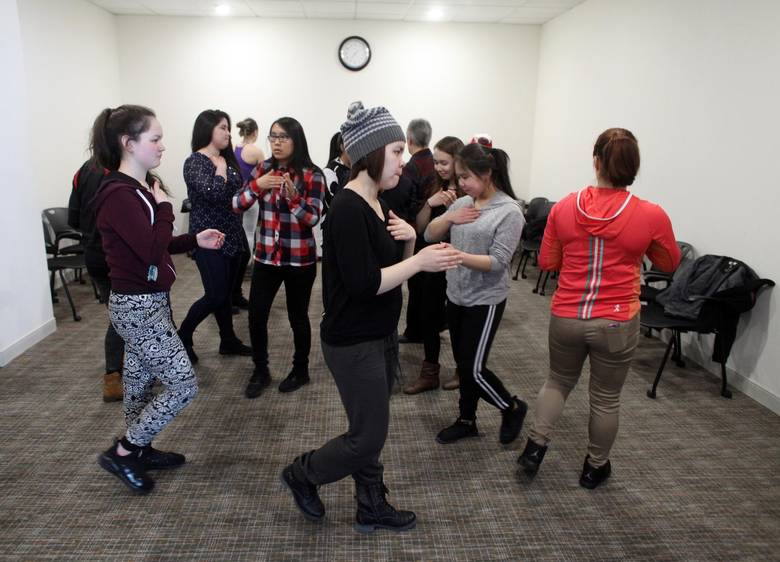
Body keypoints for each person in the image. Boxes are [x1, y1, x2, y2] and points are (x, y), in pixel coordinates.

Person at [279, 101, 461, 534]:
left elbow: (384, 269)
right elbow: (364, 284)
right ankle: (303, 472)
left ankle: (370, 504)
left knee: (370, 427)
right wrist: (418, 262)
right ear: (372, 152)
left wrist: (409, 241)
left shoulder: (377, 202)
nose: (405, 161)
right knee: (367, 436)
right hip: (352, 339)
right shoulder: (346, 208)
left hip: (378, 332)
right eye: (397, 152)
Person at [517, 128, 681, 489]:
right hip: (616, 321)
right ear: (634, 167)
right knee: (606, 398)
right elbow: (669, 262)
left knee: (557, 381)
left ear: (595, 161)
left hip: (567, 315)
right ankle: (594, 468)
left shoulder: (563, 207)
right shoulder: (650, 214)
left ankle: (534, 448)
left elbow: (546, 261)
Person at [91, 104, 225, 494]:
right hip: (138, 306)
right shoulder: (120, 194)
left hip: (144, 301)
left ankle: (141, 449)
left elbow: (150, 243)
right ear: (128, 144)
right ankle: (125, 450)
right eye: (155, 139)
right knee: (183, 384)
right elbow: (149, 250)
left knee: (137, 379)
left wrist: (190, 240)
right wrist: (166, 205)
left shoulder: (134, 189)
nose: (163, 146)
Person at [426, 142, 528, 446]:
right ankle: (466, 419)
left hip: (485, 301)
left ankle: (511, 407)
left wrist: (456, 255)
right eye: (458, 178)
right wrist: (447, 218)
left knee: (472, 368)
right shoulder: (463, 204)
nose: (460, 184)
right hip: (456, 294)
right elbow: (429, 233)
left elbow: (498, 262)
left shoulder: (509, 212)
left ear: (486, 173)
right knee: (463, 362)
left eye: (465, 177)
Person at [232, 117, 324, 398]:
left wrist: (294, 198)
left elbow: (312, 218)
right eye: (273, 137)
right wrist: (257, 184)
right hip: (267, 258)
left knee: (298, 317)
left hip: (300, 260)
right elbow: (237, 204)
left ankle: (301, 369)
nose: (277, 142)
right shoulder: (263, 169)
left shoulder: (312, 174)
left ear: (297, 139)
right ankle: (261, 370)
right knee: (257, 316)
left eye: (284, 137)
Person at [177, 110, 251, 363]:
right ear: (207, 129)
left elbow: (237, 193)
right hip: (207, 237)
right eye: (223, 127)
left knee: (225, 295)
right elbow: (215, 195)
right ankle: (183, 336)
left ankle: (228, 340)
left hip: (230, 235)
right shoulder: (195, 162)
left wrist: (223, 168)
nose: (229, 133)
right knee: (216, 295)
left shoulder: (225, 159)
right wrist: (220, 172)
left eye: (228, 128)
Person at [403, 136, 464, 394]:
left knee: (459, 318)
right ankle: (430, 373)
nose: (438, 167)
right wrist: (431, 202)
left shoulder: (468, 190)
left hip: (460, 263)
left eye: (444, 162)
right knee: (429, 316)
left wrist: (455, 210)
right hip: (433, 260)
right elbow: (421, 227)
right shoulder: (432, 186)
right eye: (436, 162)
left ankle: (464, 369)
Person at [68, 160, 125, 402]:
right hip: (118, 257)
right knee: (124, 316)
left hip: (94, 254)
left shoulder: (83, 171)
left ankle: (117, 373)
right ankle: (114, 375)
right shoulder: (122, 172)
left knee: (118, 314)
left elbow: (74, 219)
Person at [399, 118, 436, 344]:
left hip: (416, 231)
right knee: (429, 286)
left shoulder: (411, 167)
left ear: (409, 139)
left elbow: (407, 201)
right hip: (436, 230)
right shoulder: (435, 162)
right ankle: (428, 327)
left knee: (415, 284)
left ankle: (415, 331)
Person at [233, 117, 266, 311]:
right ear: (255, 132)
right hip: (251, 196)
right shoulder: (256, 150)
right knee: (249, 232)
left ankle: (241, 266)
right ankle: (248, 265)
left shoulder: (234, 148)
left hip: (236, 197)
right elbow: (265, 173)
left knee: (239, 232)